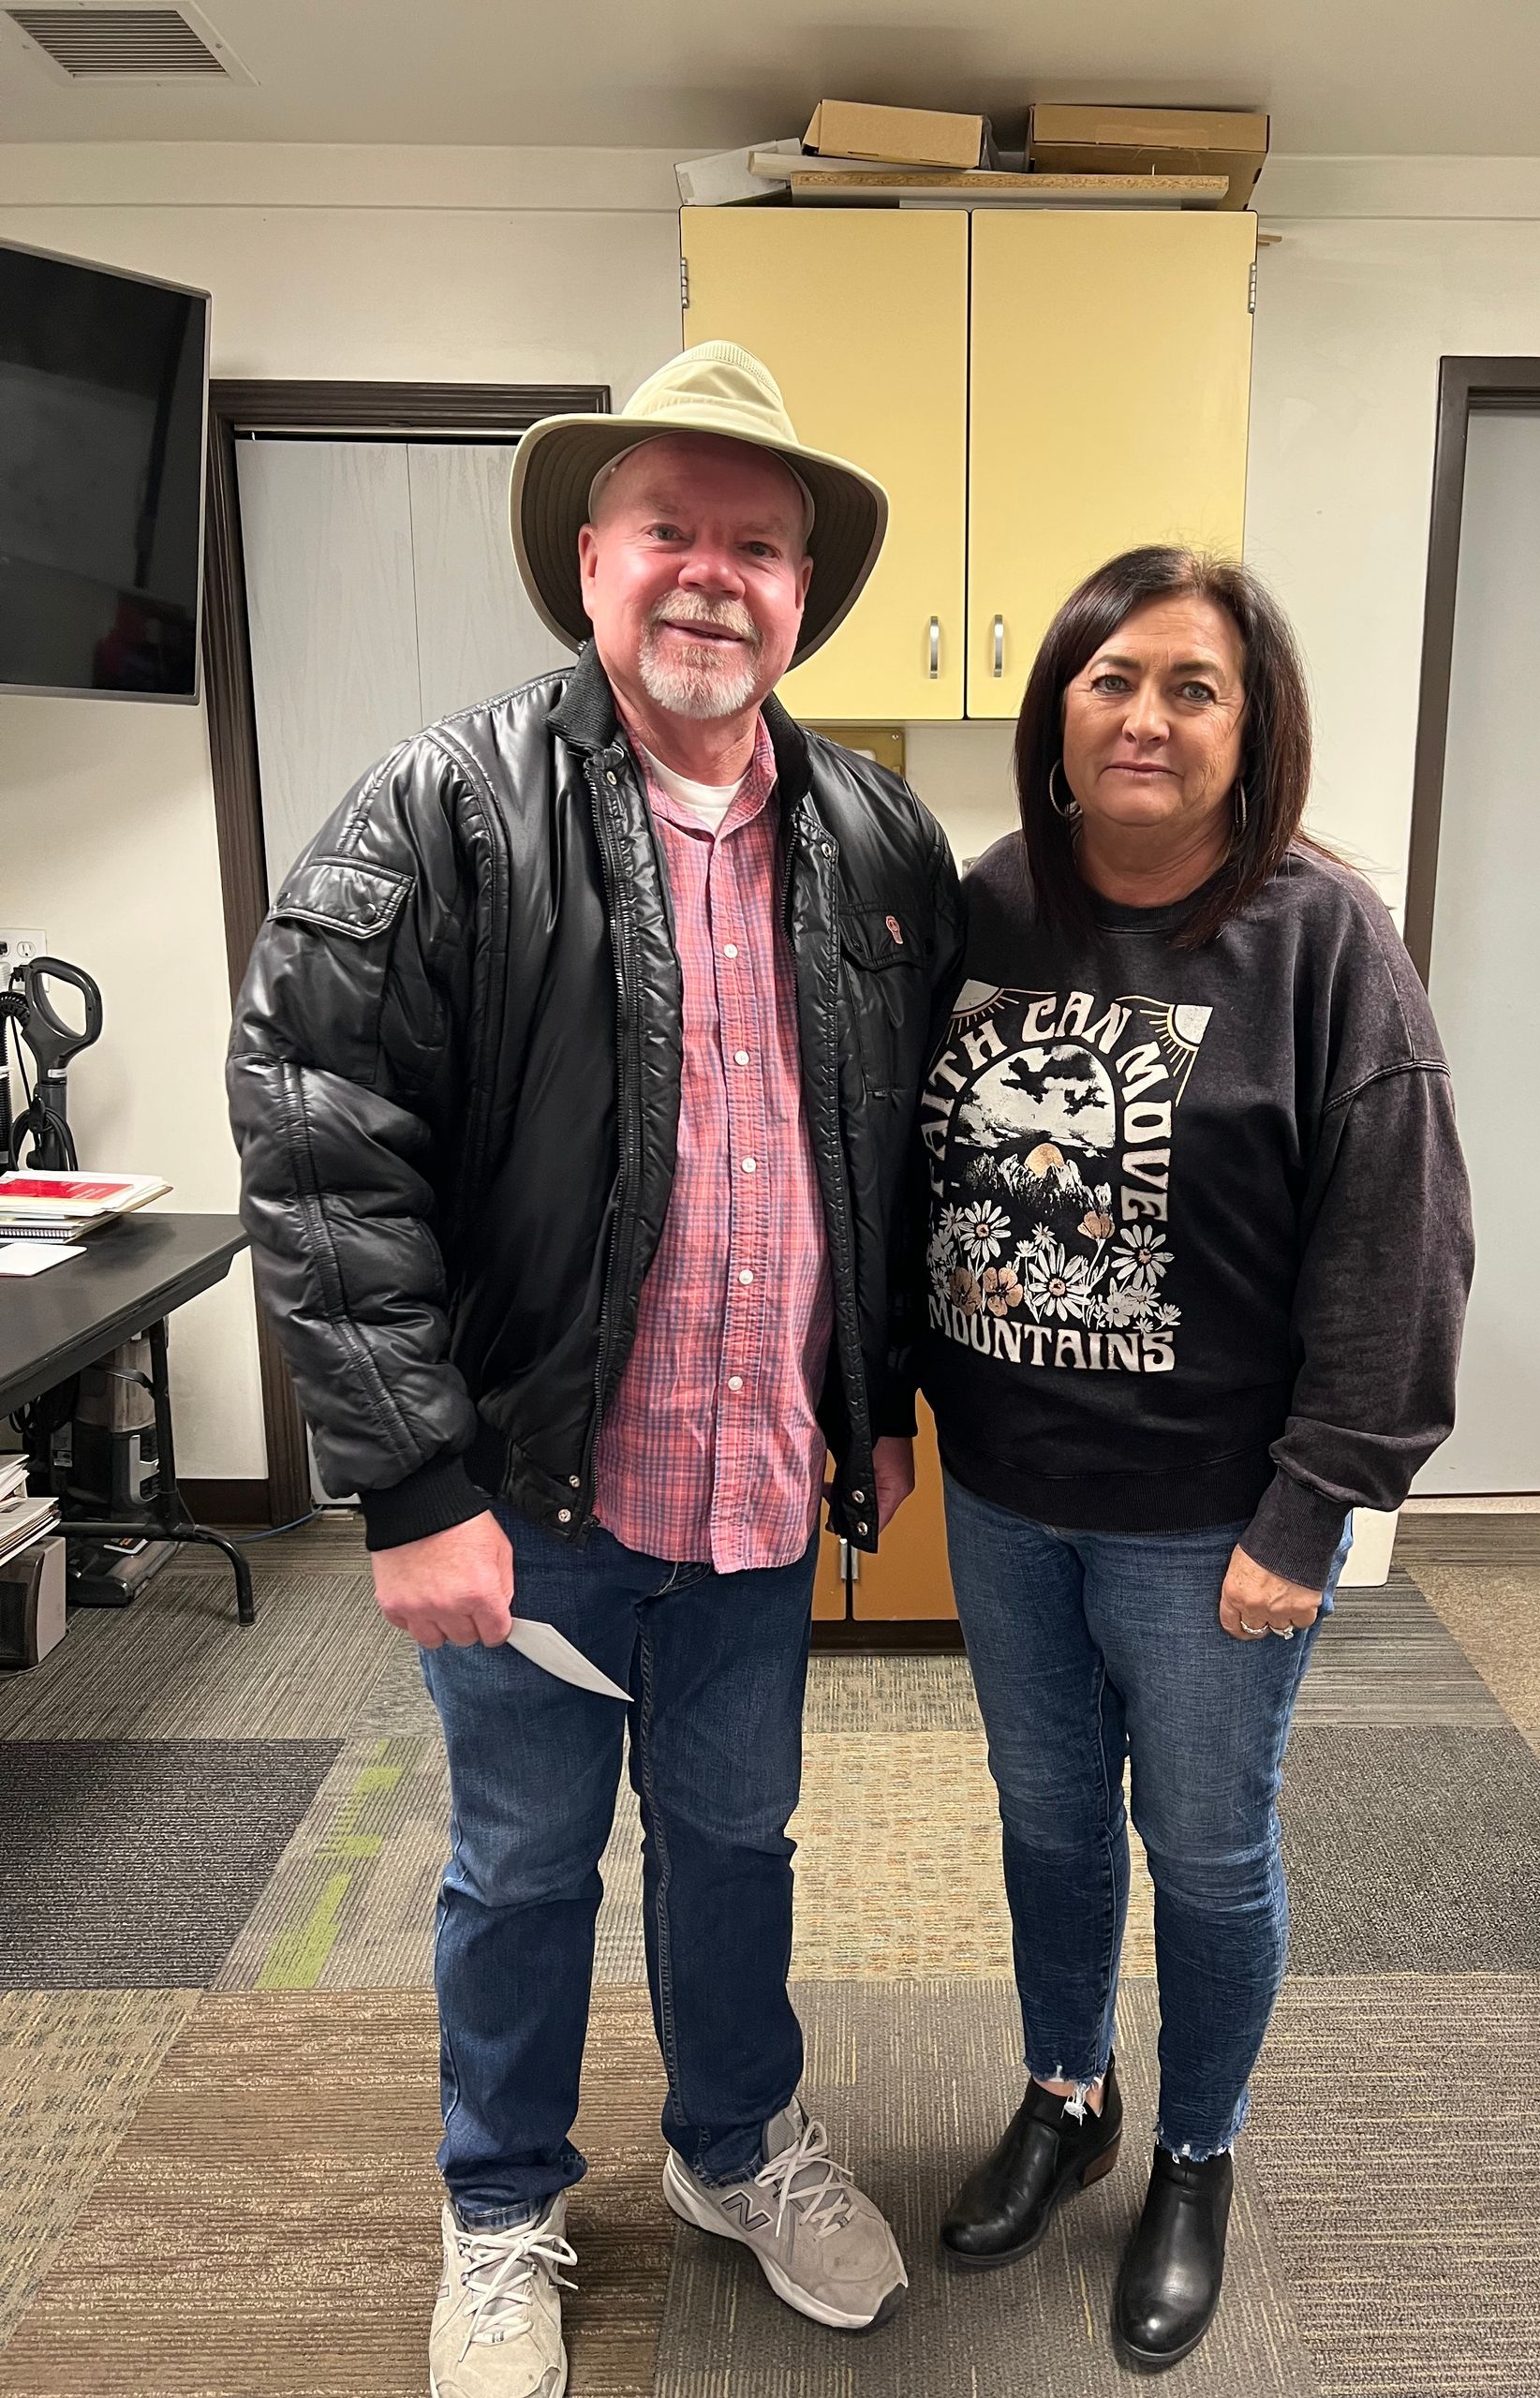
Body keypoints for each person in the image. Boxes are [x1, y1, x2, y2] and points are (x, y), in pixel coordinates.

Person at [229, 342, 964, 2397]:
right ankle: (496, 2207)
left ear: (801, 592)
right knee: (526, 1861)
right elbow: (318, 1126)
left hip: (757, 1487)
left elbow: (896, 1154)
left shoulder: (879, 841)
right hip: (530, 1488)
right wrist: (408, 1483)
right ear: (588, 558)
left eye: (759, 545)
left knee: (737, 1841)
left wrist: (879, 1401)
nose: (713, 575)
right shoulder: (445, 807)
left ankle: (734, 2144)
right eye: (669, 530)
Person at [923, 546, 1473, 2371]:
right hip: (1005, 1492)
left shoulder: (1323, 938)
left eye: (1193, 685)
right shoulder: (991, 904)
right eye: (1112, 679)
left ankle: (1196, 2151)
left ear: (1254, 728)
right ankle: (1068, 2093)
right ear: (1058, 710)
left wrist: (1313, 1511)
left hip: (1212, 1522)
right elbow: (915, 1165)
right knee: (1047, 1820)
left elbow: (1401, 1246)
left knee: (1208, 1852)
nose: (1146, 716)